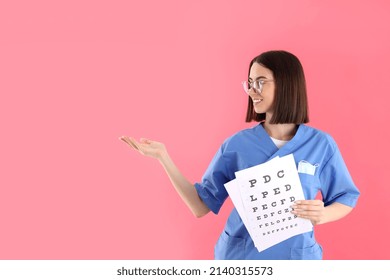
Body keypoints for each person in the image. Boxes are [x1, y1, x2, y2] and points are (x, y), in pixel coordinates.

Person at [119, 50, 360, 260]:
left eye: (261, 82)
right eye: (250, 82)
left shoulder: (321, 144)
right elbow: (200, 206)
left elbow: (346, 197)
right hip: (240, 258)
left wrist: (324, 214)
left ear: (287, 84)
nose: (252, 90)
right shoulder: (236, 145)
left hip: (296, 259)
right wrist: (163, 157)